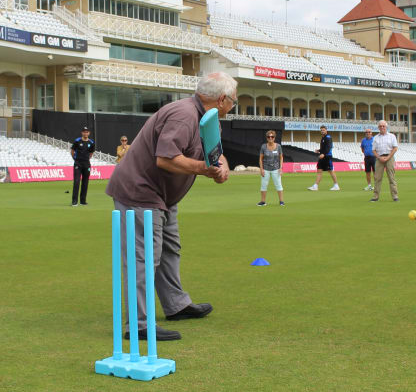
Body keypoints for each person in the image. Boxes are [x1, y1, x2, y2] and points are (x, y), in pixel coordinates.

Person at [105, 72, 234, 341]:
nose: (233, 105)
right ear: (222, 99)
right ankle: (138, 324)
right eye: (233, 100)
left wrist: (222, 166)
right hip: (139, 193)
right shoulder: (184, 115)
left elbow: (216, 152)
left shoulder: (208, 119)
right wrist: (205, 169)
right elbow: (166, 158)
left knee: (169, 250)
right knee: (143, 258)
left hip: (163, 198)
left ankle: (176, 305)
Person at [370, 120, 399, 202]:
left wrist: (388, 157)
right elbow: (374, 150)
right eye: (380, 126)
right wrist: (379, 157)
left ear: (386, 127)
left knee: (391, 177)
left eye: (383, 126)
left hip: (389, 157)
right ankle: (375, 196)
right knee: (377, 178)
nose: (382, 127)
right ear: (378, 127)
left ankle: (395, 196)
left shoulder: (392, 136)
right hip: (379, 158)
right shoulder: (375, 137)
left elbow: (395, 148)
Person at [308, 125, 340, 191]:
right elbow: (324, 148)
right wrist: (319, 150)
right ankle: (315, 186)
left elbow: (329, 147)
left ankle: (336, 185)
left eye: (323, 130)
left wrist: (323, 154)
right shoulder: (323, 138)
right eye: (321, 130)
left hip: (327, 156)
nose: (322, 131)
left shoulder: (328, 137)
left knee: (331, 171)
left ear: (326, 130)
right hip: (322, 156)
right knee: (319, 171)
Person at [258, 130, 284, 206]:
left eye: (272, 136)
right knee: (264, 185)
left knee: (278, 184)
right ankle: (263, 201)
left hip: (276, 168)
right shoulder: (263, 146)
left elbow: (281, 157)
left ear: (274, 137)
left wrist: (281, 168)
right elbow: (260, 158)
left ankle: (281, 201)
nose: (270, 138)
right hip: (265, 169)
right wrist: (261, 169)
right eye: (269, 137)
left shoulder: (278, 146)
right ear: (267, 138)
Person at [70, 126, 95, 206]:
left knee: (85, 182)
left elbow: (91, 153)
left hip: (86, 164)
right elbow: (72, 151)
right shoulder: (77, 141)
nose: (85, 133)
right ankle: (74, 201)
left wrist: (86, 159)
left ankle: (83, 201)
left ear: (89, 133)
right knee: (77, 182)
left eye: (87, 132)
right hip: (78, 164)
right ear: (82, 133)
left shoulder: (91, 142)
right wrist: (76, 159)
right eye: (84, 132)